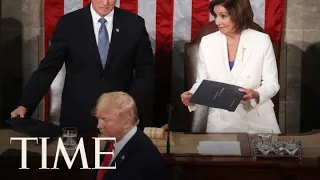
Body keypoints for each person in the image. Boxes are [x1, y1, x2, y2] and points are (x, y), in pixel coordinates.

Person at [10, 0, 155, 133]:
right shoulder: (69, 24)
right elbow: (48, 68)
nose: (105, 2)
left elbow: (146, 71)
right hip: (78, 118)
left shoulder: (134, 24)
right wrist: (25, 105)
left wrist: (130, 105)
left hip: (119, 118)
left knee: (119, 162)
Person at [181, 0, 281, 134]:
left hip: (258, 122)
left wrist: (255, 94)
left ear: (238, 14)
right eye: (215, 16)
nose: (217, 22)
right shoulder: (208, 42)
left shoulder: (262, 40)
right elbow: (202, 82)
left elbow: (272, 84)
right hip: (220, 123)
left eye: (223, 16)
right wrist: (192, 94)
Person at [93, 91, 166, 180]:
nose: (99, 126)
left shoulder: (143, 160)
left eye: (106, 120)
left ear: (127, 124)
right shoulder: (114, 139)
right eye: (98, 119)